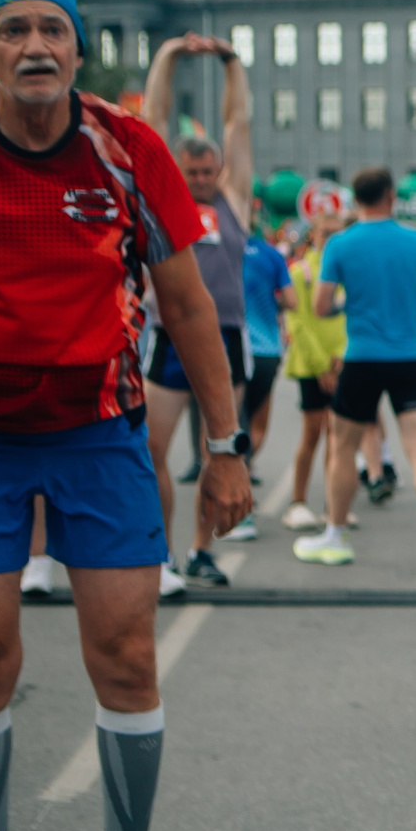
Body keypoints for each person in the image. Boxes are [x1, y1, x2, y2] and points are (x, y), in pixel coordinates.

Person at [0, 0, 253, 831]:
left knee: (128, 653)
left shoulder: (128, 147)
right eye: (13, 30)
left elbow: (188, 309)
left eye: (53, 28)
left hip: (101, 429)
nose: (36, 46)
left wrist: (226, 453)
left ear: (80, 49)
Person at [140, 36, 254, 592]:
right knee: (152, 449)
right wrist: (168, 56)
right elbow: (154, 119)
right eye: (194, 171)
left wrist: (231, 63)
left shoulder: (232, 200)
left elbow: (239, 126)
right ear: (177, 170)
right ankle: (160, 557)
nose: (203, 179)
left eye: (210, 171)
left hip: (225, 336)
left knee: (222, 450)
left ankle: (201, 550)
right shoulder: (164, 198)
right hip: (168, 336)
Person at [298, 168, 416, 567]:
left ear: (354, 200)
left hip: (361, 356)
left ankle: (335, 535)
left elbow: (321, 306)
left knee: (343, 449)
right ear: (391, 196)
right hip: (409, 357)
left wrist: (352, 305)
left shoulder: (341, 244)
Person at [280, 210, 346, 532]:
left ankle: (333, 506)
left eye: (337, 233)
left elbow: (355, 315)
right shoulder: (301, 271)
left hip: (343, 363)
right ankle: (297, 502)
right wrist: (322, 364)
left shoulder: (348, 271)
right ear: (314, 235)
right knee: (312, 433)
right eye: (325, 232)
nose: (331, 238)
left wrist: (343, 355)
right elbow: (297, 322)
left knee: (340, 437)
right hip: (311, 365)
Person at [237, 211, 294, 521]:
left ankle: (238, 492)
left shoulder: (222, 250)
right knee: (256, 426)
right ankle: (242, 482)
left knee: (233, 424)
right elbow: (292, 300)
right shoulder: (272, 255)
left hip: (230, 348)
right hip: (266, 350)